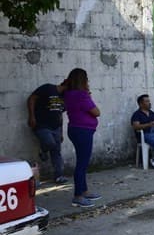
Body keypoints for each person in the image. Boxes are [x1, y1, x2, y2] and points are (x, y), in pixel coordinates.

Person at [63, 68, 101, 208]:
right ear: (83, 80)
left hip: (75, 129)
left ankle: (84, 191)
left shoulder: (68, 94)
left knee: (82, 162)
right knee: (82, 164)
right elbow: (96, 112)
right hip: (83, 131)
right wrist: (88, 95)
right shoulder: (81, 95)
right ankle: (78, 195)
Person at [27, 81, 69, 184]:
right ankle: (43, 150)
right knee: (50, 143)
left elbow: (59, 114)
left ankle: (58, 176)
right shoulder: (48, 88)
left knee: (56, 152)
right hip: (42, 125)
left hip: (56, 127)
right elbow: (31, 99)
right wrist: (31, 116)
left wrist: (62, 132)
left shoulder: (65, 98)